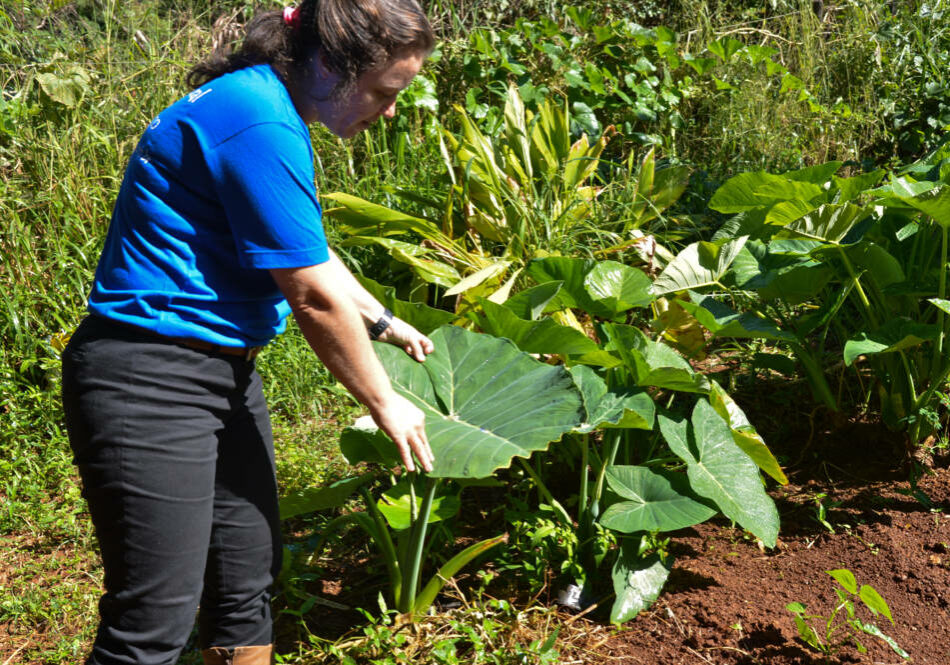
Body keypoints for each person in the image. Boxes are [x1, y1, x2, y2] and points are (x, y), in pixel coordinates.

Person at [61, 2, 436, 663]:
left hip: (220, 373)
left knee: (244, 585)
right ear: (329, 64)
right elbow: (313, 297)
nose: (390, 109)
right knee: (150, 626)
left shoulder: (266, 105)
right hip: (149, 378)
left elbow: (304, 250)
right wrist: (386, 402)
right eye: (385, 91)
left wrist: (379, 318)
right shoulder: (257, 117)